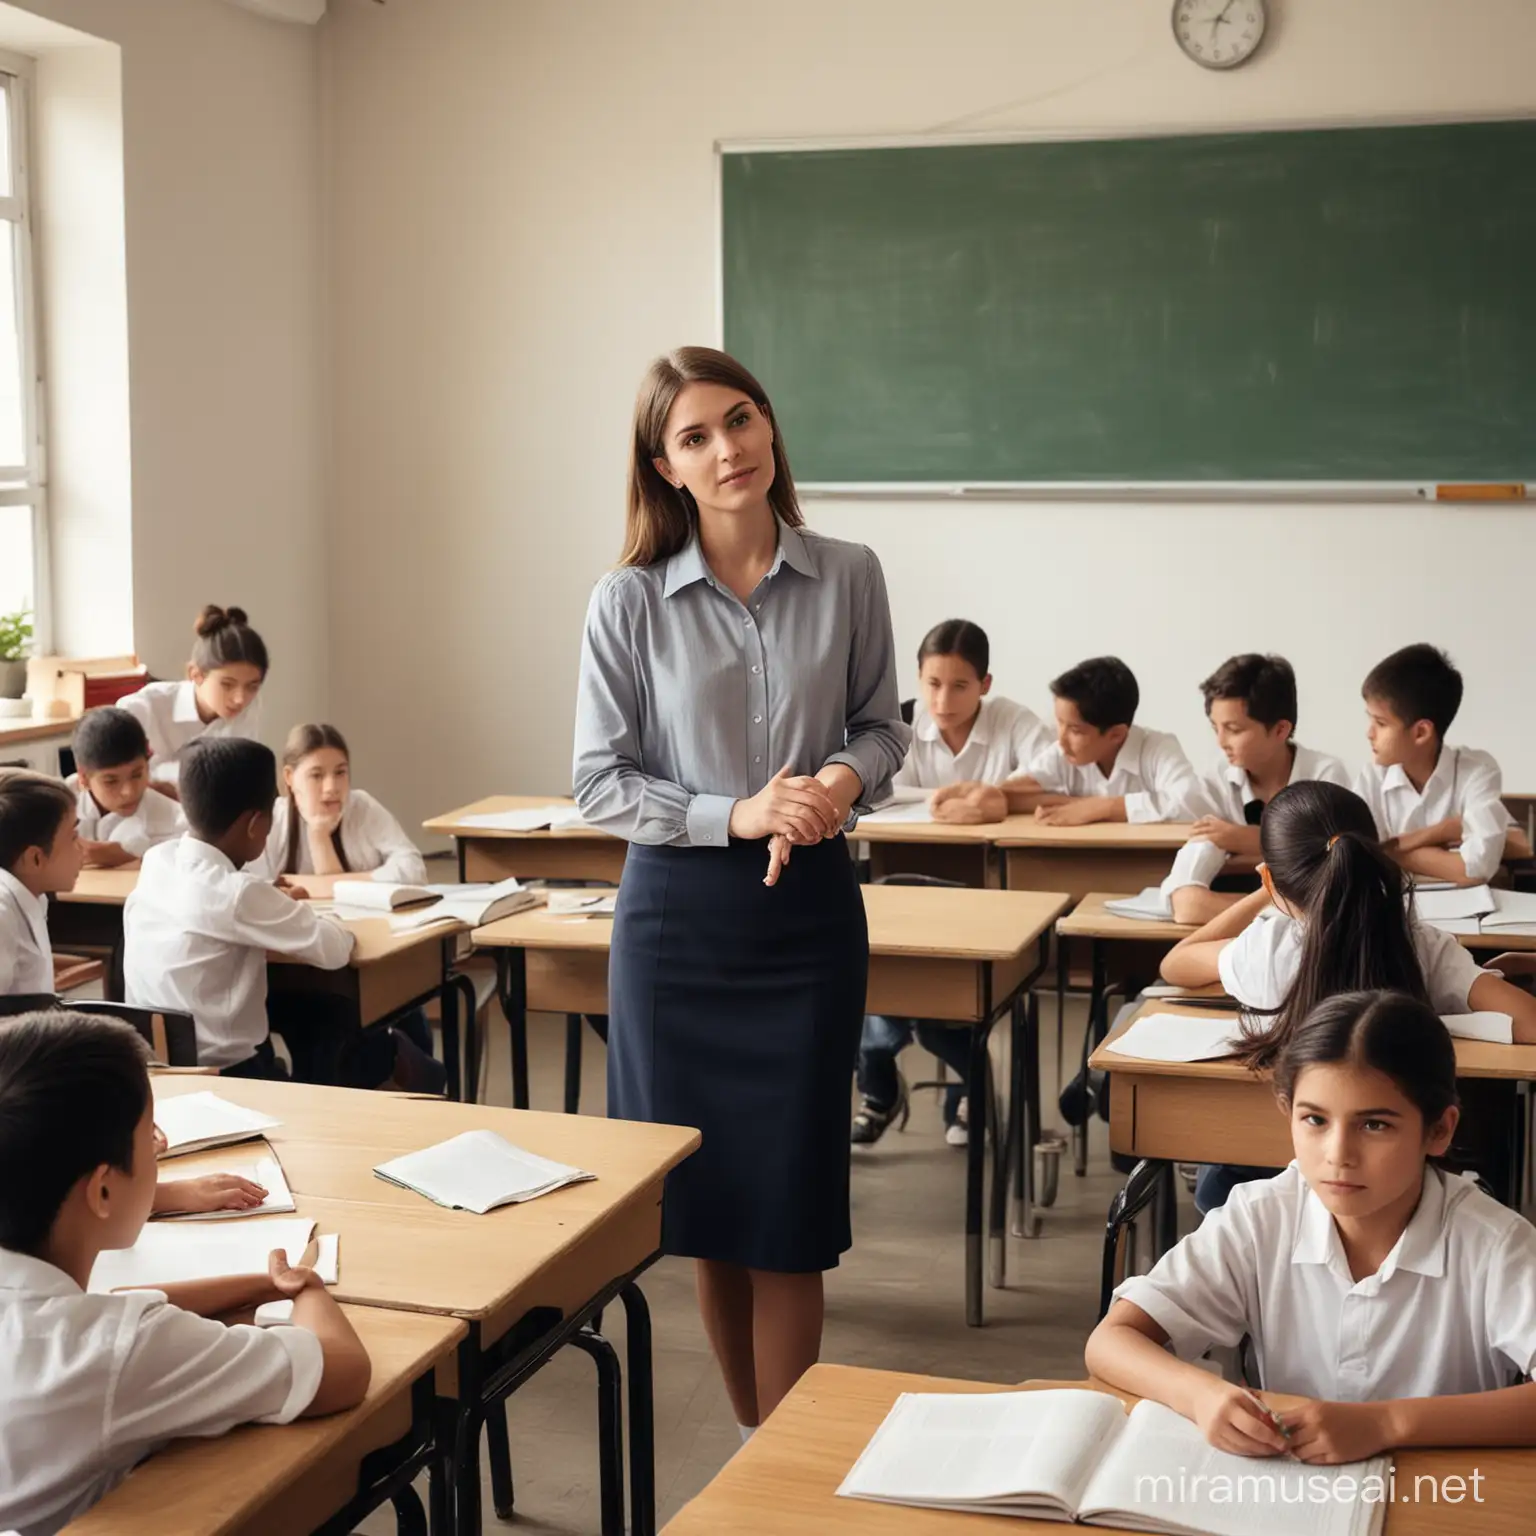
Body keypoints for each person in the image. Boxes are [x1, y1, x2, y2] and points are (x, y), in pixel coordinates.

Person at [573, 345, 908, 1436]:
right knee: (710, 1212)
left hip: (805, 920)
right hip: (677, 923)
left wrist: (837, 786)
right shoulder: (626, 601)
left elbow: (880, 725)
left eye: (742, 419)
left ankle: (789, 1477)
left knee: (790, 1211)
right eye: (696, 436)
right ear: (663, 466)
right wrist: (740, 813)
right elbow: (598, 782)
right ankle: (765, 1454)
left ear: (770, 428)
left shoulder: (849, 570)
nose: (729, 449)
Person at [1086, 991, 1536, 1466]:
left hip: (1443, 1494)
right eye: (1315, 1119)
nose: (1337, 1153)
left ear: (1439, 1131)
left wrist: (1387, 1424)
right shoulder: (1262, 1216)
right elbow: (1111, 1342)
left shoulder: (1495, 1244)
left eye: (1375, 1126)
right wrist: (1199, 1394)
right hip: (1292, 1491)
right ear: (1288, 1112)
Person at [0, 1009, 369, 1536]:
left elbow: (122, 1301)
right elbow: (341, 1371)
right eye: (149, 1135)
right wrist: (304, 1287)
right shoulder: (113, 1351)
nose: (160, 1148)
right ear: (102, 1190)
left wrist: (263, 1282)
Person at [1160, 778, 1536, 1210]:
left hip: (1264, 1171)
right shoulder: (1420, 944)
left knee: (1215, 1181)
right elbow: (1528, 1022)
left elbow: (1176, 963)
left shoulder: (1264, 949)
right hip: (1388, 1174)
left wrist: (1265, 893)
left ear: (1270, 875)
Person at [123, 737, 443, 1092]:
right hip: (230, 1076)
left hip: (155, 1069)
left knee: (317, 1014)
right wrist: (291, 907)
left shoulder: (158, 860)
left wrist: (270, 902)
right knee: (340, 1017)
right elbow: (335, 948)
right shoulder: (239, 892)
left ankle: (404, 1071)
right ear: (255, 824)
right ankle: (377, 1090)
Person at [853, 618, 1044, 1147]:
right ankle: (879, 1085)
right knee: (877, 968)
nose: (943, 699)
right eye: (932, 684)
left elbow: (1048, 775)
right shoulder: (900, 724)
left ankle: (966, 1085)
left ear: (985, 684)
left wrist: (989, 797)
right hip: (903, 873)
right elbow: (878, 790)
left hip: (987, 886)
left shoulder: (1013, 720)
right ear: (917, 680)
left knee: (956, 982)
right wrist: (959, 797)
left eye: (960, 685)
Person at [1162, 654, 1349, 924]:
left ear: (1280, 729)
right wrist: (1290, 908)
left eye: (1234, 730)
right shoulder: (1217, 779)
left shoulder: (1325, 777)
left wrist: (1245, 840)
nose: (1221, 742)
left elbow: (1331, 882)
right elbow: (1187, 905)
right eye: (1216, 728)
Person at [1355, 642, 1529, 886]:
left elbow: (1476, 868)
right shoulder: (1371, 778)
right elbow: (1359, 858)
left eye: (1381, 723)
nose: (1369, 733)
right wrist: (1447, 831)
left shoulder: (1477, 770)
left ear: (1421, 733)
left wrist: (1397, 848)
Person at [1000, 656, 1205, 825]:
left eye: (1075, 730)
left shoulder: (1158, 748)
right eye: (1059, 723)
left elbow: (1192, 803)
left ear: (1116, 734)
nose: (1061, 740)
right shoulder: (1063, 751)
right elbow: (1010, 791)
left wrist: (1103, 807)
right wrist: (1077, 803)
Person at [248, 723, 427, 885]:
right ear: (289, 777)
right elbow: (254, 888)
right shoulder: (272, 821)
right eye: (316, 775)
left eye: (340, 772)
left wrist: (324, 883)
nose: (331, 787)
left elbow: (414, 869)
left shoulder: (362, 807)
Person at [118, 606, 267, 799]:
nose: (240, 699)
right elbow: (115, 779)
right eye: (227, 685)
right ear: (195, 674)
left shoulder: (248, 711)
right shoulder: (143, 708)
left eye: (252, 686)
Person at [0, 772, 83, 997]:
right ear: (35, 859)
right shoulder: (3, 917)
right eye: (73, 837)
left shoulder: (31, 895)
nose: (83, 849)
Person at [70, 708, 182, 869]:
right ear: (83, 778)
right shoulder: (55, 804)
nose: (128, 791)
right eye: (111, 781)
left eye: (137, 775)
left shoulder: (177, 821)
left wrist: (131, 854)